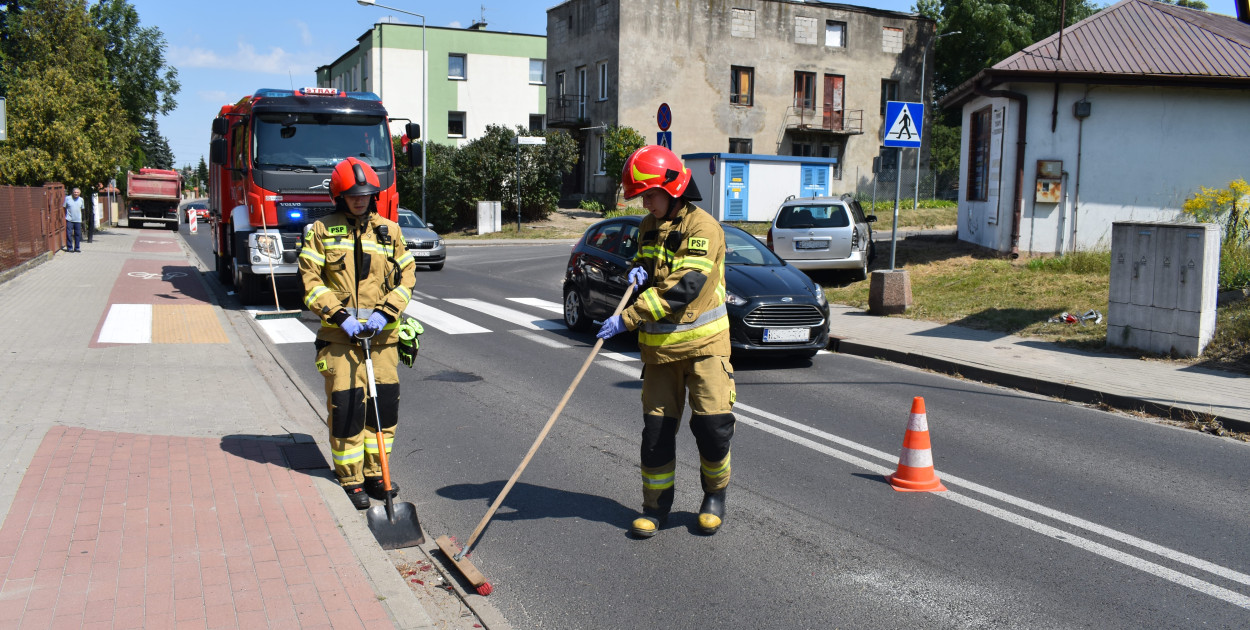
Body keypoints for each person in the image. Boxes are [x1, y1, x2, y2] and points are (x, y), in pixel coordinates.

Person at [596, 145, 736, 538]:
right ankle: (655, 508)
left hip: (705, 347)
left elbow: (685, 286)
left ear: (674, 188)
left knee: (712, 428)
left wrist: (627, 318)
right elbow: (649, 264)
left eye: (651, 194)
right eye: (642, 196)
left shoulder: (703, 228)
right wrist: (636, 272)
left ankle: (714, 496)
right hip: (659, 353)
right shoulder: (647, 226)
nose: (646, 202)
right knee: (656, 434)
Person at [298, 157, 418, 509]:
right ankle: (351, 479)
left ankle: (378, 473)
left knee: (383, 409)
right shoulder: (320, 231)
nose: (360, 200)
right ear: (339, 195)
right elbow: (310, 282)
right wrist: (338, 316)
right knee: (348, 408)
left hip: (382, 340)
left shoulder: (390, 231)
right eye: (353, 195)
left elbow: (407, 277)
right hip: (340, 340)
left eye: (366, 194)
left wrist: (387, 312)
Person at [64, 188, 84, 252]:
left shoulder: (81, 200)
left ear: (79, 193)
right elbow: (64, 207)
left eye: (77, 192)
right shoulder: (67, 198)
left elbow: (82, 209)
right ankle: (69, 247)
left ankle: (77, 247)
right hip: (69, 219)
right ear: (72, 193)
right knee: (69, 234)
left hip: (78, 220)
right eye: (75, 192)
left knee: (77, 234)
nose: (76, 193)